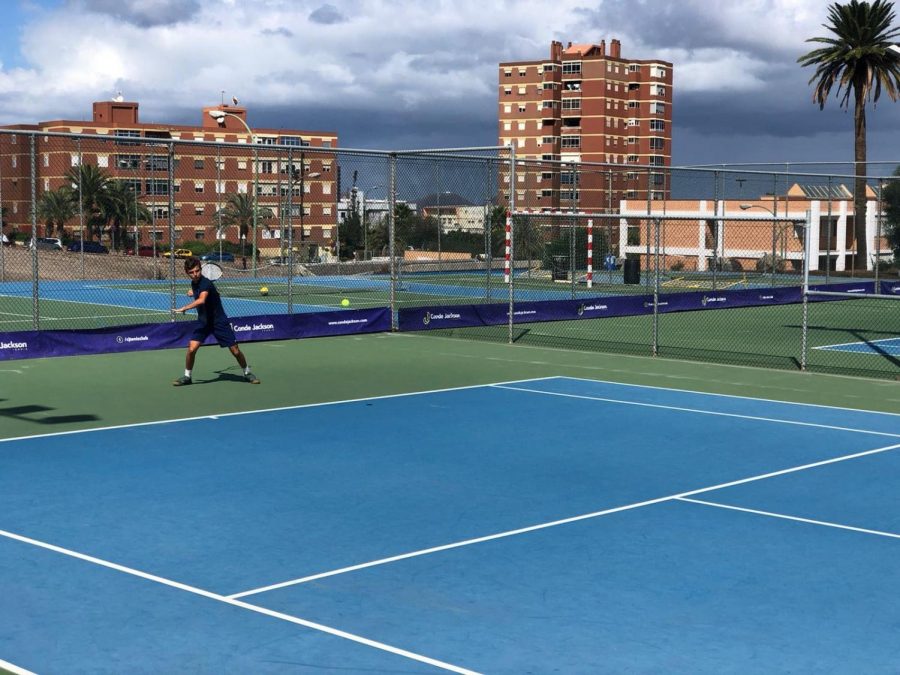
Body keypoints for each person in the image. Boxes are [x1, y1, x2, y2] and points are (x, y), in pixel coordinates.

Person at [172, 256, 259, 386]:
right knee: (191, 349)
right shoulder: (194, 283)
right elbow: (199, 293)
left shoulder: (206, 283)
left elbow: (202, 299)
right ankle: (187, 377)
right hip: (204, 322)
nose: (195, 275)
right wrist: (193, 292)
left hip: (219, 321)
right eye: (191, 272)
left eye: (197, 271)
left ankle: (247, 372)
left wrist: (185, 307)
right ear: (187, 272)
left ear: (200, 269)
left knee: (235, 350)